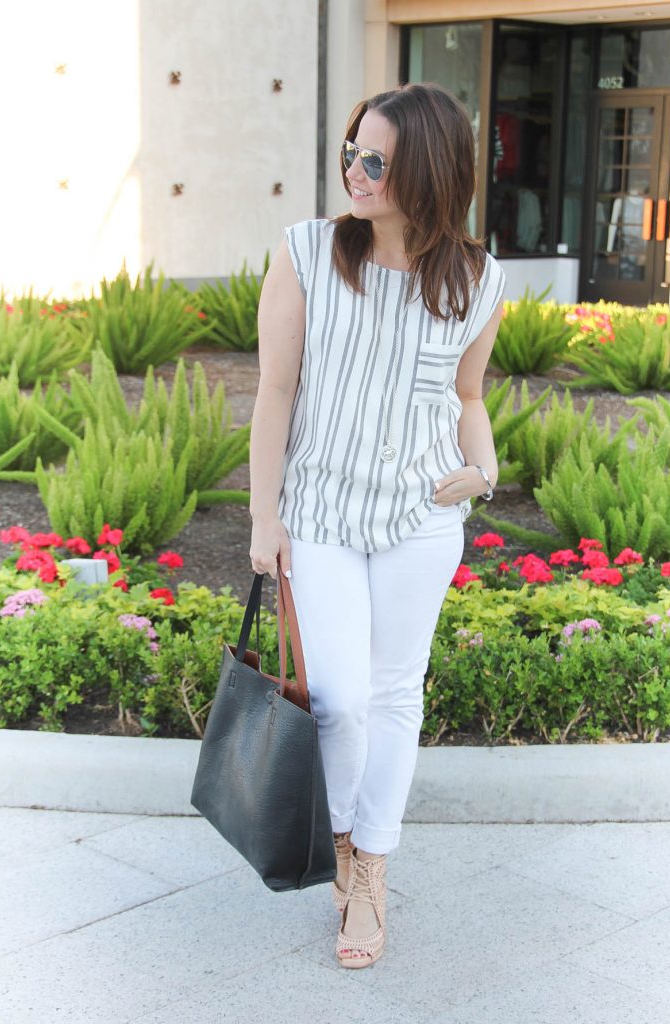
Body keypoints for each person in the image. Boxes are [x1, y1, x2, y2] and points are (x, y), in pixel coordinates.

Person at [249, 82, 505, 969]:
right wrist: (262, 517)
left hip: (421, 518)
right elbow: (275, 391)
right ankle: (348, 839)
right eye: (353, 152)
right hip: (319, 513)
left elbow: (466, 398)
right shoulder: (307, 252)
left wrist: (486, 467)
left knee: (397, 695)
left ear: (429, 172)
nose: (356, 171)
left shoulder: (477, 278)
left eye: (378, 160)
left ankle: (368, 870)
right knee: (340, 700)